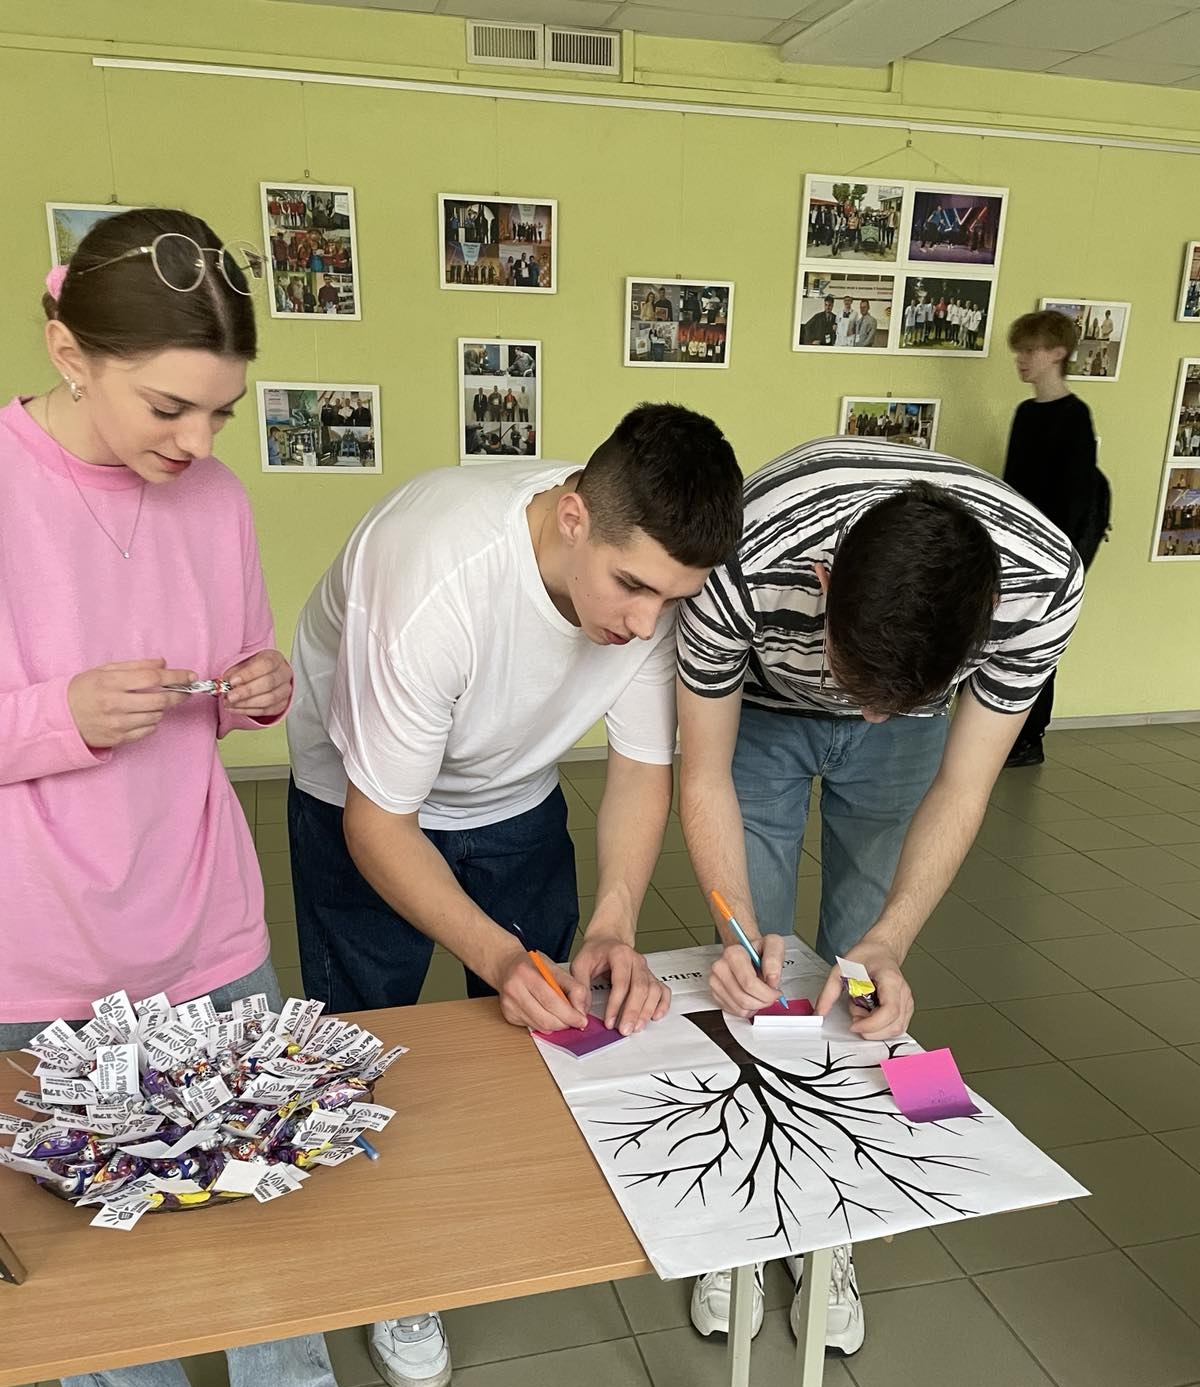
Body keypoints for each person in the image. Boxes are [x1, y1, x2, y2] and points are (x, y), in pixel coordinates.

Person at [285, 403, 744, 1387]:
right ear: (573, 514)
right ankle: (394, 1271)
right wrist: (494, 953)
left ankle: (496, 1210)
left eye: (670, 601)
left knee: (546, 1013)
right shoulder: (435, 578)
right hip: (359, 794)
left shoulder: (646, 583)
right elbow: (381, 827)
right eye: (631, 589)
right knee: (364, 1036)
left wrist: (617, 918)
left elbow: (639, 768)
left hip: (514, 789)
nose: (640, 623)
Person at [0, 207, 334, 1387]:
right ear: (68, 352)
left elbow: (236, 685)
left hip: (210, 930)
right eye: (166, 407)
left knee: (263, 1230)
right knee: (108, 1276)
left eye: (219, 412)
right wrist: (60, 716)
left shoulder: (220, 499)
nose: (196, 440)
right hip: (44, 956)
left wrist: (259, 687)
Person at [675, 434, 1084, 1356]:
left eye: (890, 698)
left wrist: (893, 938)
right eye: (862, 687)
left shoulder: (1040, 584)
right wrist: (736, 930)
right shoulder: (746, 552)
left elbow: (965, 786)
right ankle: (745, 1218)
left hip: (921, 739)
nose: (863, 716)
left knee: (863, 969)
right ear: (821, 582)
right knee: (764, 962)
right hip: (764, 710)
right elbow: (701, 771)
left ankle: (832, 1224)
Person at [1003, 310, 1109, 767]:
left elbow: (1077, 499)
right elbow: (1011, 487)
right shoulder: (1026, 413)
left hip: (1055, 552)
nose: (1022, 360)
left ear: (1058, 353)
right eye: (1020, 351)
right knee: (1008, 639)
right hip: (1018, 545)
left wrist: (1063, 564)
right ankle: (1007, 731)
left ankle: (1030, 737)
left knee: (1039, 642)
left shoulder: (1074, 417)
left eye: (1031, 350)